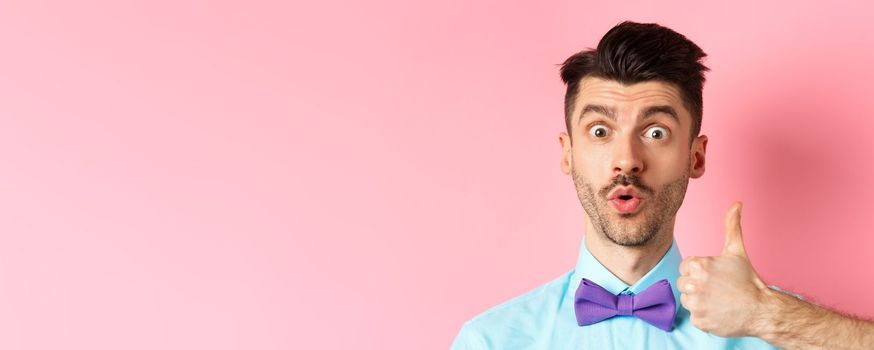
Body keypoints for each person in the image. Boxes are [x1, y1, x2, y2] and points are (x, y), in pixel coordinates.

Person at [450, 20, 874, 349]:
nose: (628, 161)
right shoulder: (490, 342)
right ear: (568, 153)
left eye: (656, 132)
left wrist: (767, 316)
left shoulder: (775, 328)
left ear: (696, 156)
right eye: (600, 131)